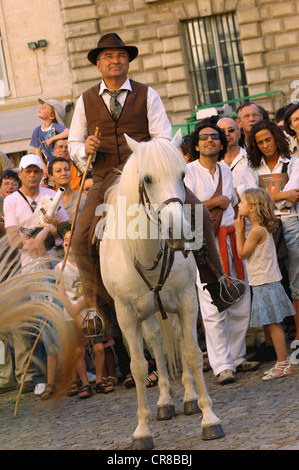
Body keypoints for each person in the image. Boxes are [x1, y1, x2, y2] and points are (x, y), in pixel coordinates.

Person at [68, 32, 244, 336]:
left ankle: (217, 282)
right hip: (106, 177)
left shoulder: (147, 94)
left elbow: (163, 137)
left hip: (148, 173)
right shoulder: (85, 101)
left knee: (198, 212)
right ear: (98, 65)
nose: (115, 60)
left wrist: (145, 159)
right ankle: (98, 308)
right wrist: (85, 148)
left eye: (121, 56)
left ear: (127, 62)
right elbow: (73, 143)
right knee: (81, 236)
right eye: (108, 56)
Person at [185, 121, 260, 385]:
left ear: (221, 143)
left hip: (230, 238)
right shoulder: (188, 171)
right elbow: (182, 206)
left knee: (240, 297)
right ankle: (222, 365)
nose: (210, 141)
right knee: (212, 303)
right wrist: (213, 202)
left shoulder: (226, 170)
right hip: (205, 244)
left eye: (215, 137)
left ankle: (237, 356)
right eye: (204, 137)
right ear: (196, 145)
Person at [3, 154, 70, 395]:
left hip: (55, 262)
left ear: (42, 174)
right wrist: (32, 241)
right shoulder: (11, 201)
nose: (32, 175)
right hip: (29, 268)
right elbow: (13, 240)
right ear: (20, 174)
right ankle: (42, 375)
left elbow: (66, 228)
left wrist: (53, 227)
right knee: (39, 321)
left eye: (36, 171)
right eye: (27, 171)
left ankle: (71, 370)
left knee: (62, 317)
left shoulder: (52, 195)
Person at [245, 120, 299, 344]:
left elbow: (295, 193)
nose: (265, 145)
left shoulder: (293, 162)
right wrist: (279, 196)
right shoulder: (251, 168)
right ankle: (273, 342)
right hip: (263, 228)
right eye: (260, 142)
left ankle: (297, 337)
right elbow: (250, 199)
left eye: (268, 139)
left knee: (296, 281)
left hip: (291, 222)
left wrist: (263, 197)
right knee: (267, 282)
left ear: (277, 138)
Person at [234, 188, 295, 380]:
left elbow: (242, 253)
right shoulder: (259, 228)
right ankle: (282, 362)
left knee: (273, 324)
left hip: (265, 282)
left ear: (251, 208)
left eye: (241, 203)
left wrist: (238, 230)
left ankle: (284, 363)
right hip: (264, 282)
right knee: (271, 324)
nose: (238, 205)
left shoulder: (256, 230)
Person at [30, 99, 69, 178]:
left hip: (63, 162)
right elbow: (37, 151)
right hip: (49, 164)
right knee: (44, 184)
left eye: (45, 108)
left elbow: (69, 132)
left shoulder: (55, 127)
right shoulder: (37, 131)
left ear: (52, 116)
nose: (40, 108)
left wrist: (52, 138)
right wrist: (43, 165)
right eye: (42, 106)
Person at [217, 117, 248, 202]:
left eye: (231, 130)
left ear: (239, 133)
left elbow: (257, 185)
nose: (227, 134)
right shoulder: (210, 163)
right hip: (218, 214)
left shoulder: (251, 159)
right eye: (222, 131)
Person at [48, 157, 86, 223]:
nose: (64, 173)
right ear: (51, 177)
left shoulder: (82, 198)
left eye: (66, 169)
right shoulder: (49, 201)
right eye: (58, 171)